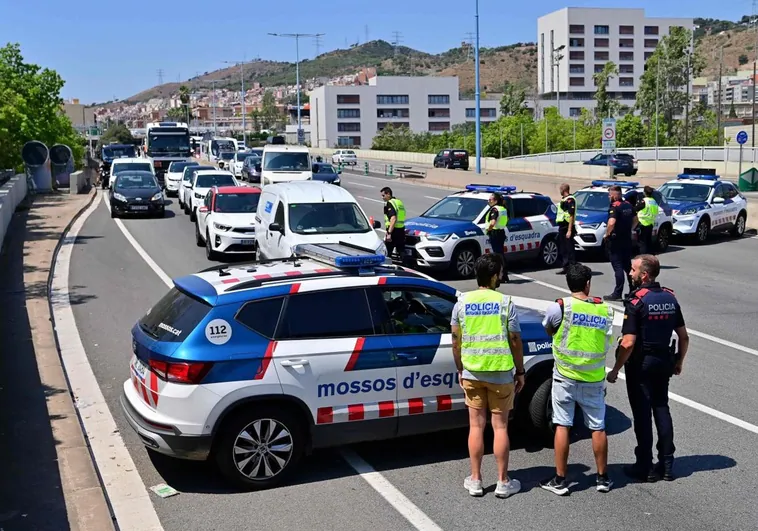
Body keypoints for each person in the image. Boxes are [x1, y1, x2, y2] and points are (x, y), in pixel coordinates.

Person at [607, 254, 689, 482]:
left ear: (644, 275)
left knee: (642, 414)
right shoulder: (670, 298)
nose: (630, 274)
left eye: (633, 270)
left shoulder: (636, 301)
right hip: (664, 361)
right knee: (661, 407)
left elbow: (628, 342)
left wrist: (615, 369)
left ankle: (644, 465)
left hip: (641, 365)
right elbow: (684, 337)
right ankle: (667, 463)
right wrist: (679, 362)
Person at [451, 253, 524, 499]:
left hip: (472, 371)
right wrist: (520, 370)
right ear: (494, 276)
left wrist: (460, 368)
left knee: (476, 426)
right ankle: (503, 482)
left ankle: (475, 480)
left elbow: (455, 340)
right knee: (500, 426)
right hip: (501, 373)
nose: (502, 276)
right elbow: (514, 339)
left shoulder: (462, 302)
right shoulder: (506, 302)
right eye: (501, 272)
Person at [540, 263, 615, 495]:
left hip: (565, 376)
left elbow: (548, 329)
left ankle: (560, 480)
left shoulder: (560, 306)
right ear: (588, 284)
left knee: (563, 424)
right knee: (598, 426)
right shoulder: (604, 309)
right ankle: (602, 478)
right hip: (593, 377)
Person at [604, 185, 637, 301]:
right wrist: (631, 229)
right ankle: (633, 289)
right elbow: (636, 219)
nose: (609, 197)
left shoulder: (615, 206)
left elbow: (611, 222)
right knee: (627, 266)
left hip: (616, 241)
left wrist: (607, 234)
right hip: (627, 240)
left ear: (614, 195)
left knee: (618, 267)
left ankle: (617, 293)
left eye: (609, 195)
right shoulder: (628, 205)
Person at [485, 192, 510, 283]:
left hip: (495, 232)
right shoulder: (503, 209)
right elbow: (507, 220)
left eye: (490, 199)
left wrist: (489, 229)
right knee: (500, 254)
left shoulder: (495, 209)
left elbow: (492, 223)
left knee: (497, 255)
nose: (489, 201)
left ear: (495, 201)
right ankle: (503, 275)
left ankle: (501, 276)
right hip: (501, 232)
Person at [555, 183, 577, 274]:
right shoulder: (564, 200)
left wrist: (569, 230)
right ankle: (566, 267)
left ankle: (572, 268)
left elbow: (571, 215)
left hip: (567, 226)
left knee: (569, 249)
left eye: (560, 189)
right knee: (563, 248)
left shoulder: (570, 200)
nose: (559, 191)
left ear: (563, 190)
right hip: (562, 226)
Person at [380, 187, 406, 260]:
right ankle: (406, 267)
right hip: (401, 230)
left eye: (383, 195)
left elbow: (393, 218)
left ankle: (386, 268)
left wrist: (389, 233)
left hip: (393, 230)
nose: (382, 198)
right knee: (401, 251)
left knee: (387, 252)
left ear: (388, 194)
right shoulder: (399, 202)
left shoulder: (389, 203)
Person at [635, 186, 659, 255]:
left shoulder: (644, 201)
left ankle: (643, 259)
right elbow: (656, 212)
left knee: (642, 243)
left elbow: (635, 209)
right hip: (650, 223)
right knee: (648, 242)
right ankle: (651, 258)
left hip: (642, 223)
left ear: (644, 192)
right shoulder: (654, 201)